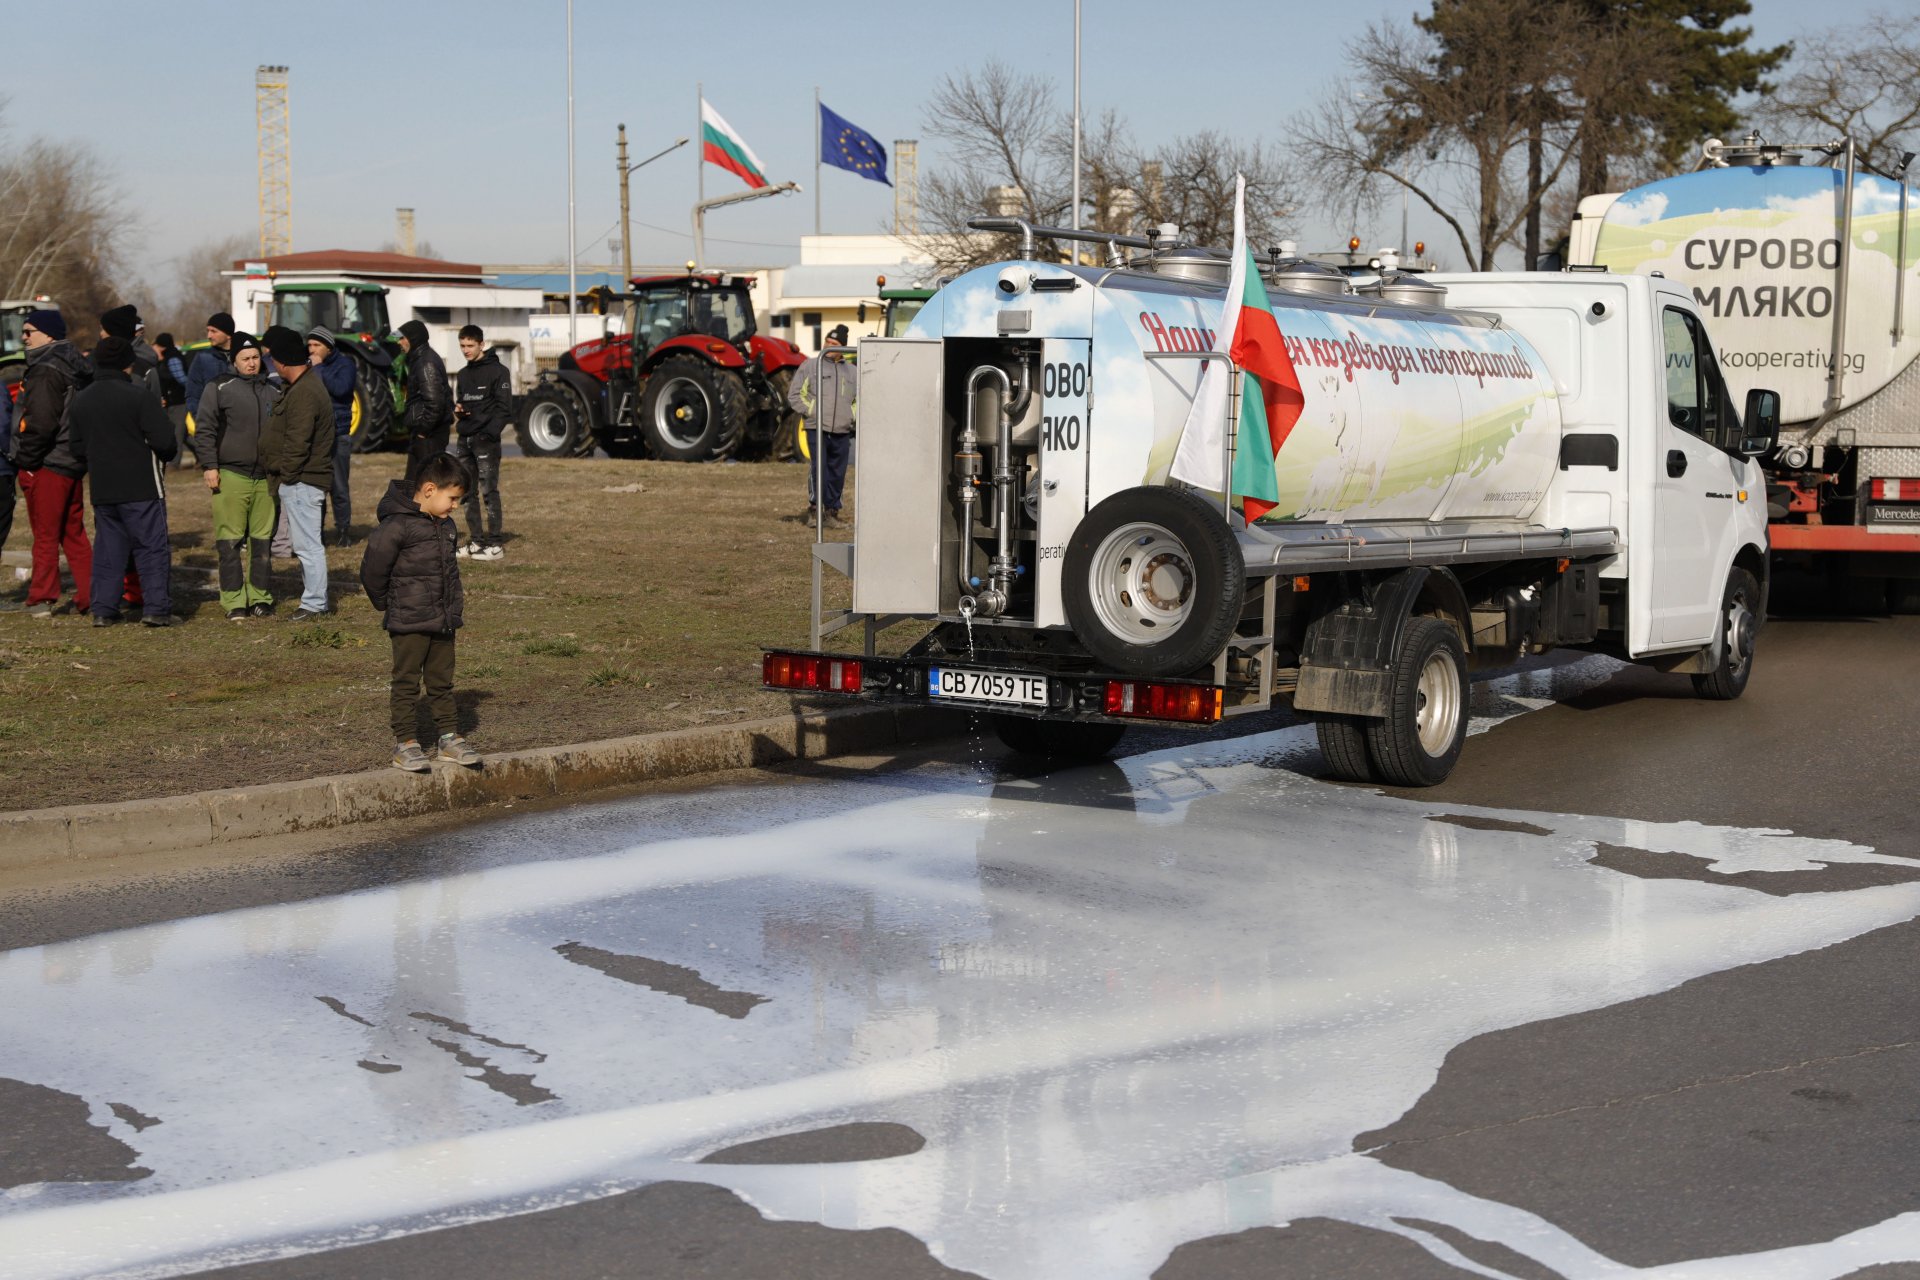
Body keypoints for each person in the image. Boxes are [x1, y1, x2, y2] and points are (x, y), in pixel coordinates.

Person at [358, 453, 481, 774]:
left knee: (442, 682)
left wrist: (452, 609)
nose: (455, 506)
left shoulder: (446, 525)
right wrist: (389, 604)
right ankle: (406, 743)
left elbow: (449, 573)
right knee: (407, 682)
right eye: (453, 498)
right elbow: (373, 571)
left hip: (442, 620)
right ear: (429, 489)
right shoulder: (396, 526)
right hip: (408, 620)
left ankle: (449, 738)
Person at [68, 337, 177, 627]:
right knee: (151, 547)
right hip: (141, 484)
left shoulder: (83, 400)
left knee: (108, 548)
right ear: (128, 363)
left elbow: (76, 447)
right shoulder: (138, 396)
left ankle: (103, 609)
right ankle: (156, 609)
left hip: (103, 486)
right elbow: (165, 441)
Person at [14, 309, 94, 617]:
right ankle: (90, 595)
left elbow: (42, 423)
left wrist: (27, 460)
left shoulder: (46, 369)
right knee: (74, 533)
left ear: (48, 334)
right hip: (71, 459)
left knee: (45, 535)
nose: (24, 336)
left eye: (29, 330)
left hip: (48, 462)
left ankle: (42, 597)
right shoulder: (73, 365)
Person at [193, 335, 279, 621]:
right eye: (245, 358)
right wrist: (209, 465)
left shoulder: (274, 390)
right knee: (229, 542)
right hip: (230, 474)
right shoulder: (218, 387)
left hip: (265, 478)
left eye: (255, 357)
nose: (252, 363)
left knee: (262, 541)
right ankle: (233, 602)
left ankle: (260, 598)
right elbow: (204, 428)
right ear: (234, 362)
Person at [259, 325, 335, 621]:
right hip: (299, 480)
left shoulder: (305, 392)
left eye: (271, 357)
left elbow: (297, 441)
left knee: (307, 546)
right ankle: (314, 600)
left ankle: (315, 603)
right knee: (306, 544)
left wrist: (287, 476)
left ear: (281, 360)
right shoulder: (301, 387)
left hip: (302, 481)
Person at [787, 323, 858, 527]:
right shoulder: (810, 366)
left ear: (843, 348)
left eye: (834, 343)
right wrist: (812, 412)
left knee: (838, 472)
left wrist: (851, 417)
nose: (828, 345)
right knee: (819, 469)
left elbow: (859, 400)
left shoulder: (852, 372)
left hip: (842, 431)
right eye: (827, 341)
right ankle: (814, 511)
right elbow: (794, 395)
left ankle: (832, 513)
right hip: (816, 428)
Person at [450, 324, 510, 560]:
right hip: (464, 439)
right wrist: (460, 410)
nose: (465, 350)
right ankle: (476, 541)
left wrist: (489, 433)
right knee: (466, 492)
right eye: (462, 346)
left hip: (486, 442)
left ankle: (495, 545)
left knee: (489, 491)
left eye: (470, 346)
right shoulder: (463, 374)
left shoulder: (499, 372)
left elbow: (504, 409)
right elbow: (463, 402)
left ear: (481, 345)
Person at [306, 327, 357, 546]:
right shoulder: (311, 365)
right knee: (317, 486)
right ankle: (317, 531)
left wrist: (319, 370)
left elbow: (341, 389)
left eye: (316, 345)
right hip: (316, 435)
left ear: (328, 346)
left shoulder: (345, 365)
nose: (312, 350)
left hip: (338, 434)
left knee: (339, 487)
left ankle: (343, 531)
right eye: (309, 346)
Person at [396, 319, 452, 484]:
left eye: (402, 338)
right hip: (425, 434)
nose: (399, 342)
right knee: (414, 484)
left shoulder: (425, 363)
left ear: (413, 339)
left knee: (426, 485)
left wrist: (423, 431)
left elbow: (435, 403)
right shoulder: (419, 359)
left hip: (429, 436)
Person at [183, 312, 237, 421]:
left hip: (238, 424)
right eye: (208, 331)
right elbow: (193, 392)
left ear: (228, 334)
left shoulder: (241, 356)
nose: (209, 336)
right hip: (210, 424)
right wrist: (201, 420)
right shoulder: (203, 357)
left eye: (213, 331)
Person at [151, 332, 192, 469]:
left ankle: (174, 463)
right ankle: (205, 457)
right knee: (185, 434)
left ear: (161, 346)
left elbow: (181, 379)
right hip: (175, 400)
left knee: (177, 433)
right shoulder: (168, 357)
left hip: (177, 401)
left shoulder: (172, 358)